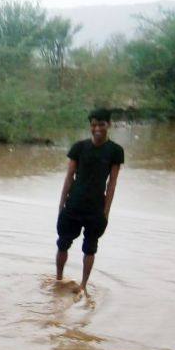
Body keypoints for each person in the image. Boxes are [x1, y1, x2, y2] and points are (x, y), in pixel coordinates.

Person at [55, 108, 124, 297]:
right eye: (94, 125)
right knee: (63, 243)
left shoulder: (115, 151)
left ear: (108, 125)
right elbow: (69, 177)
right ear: (90, 127)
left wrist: (106, 212)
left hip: (96, 208)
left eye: (101, 124)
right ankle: (58, 279)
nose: (97, 129)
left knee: (90, 248)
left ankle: (83, 285)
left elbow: (112, 184)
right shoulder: (79, 147)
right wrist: (61, 205)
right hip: (74, 204)